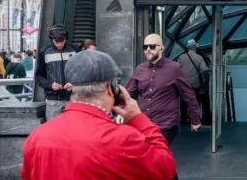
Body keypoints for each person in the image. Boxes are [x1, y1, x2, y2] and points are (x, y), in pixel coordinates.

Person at [21, 50, 177, 180]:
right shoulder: (122, 139)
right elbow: (165, 169)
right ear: (111, 88)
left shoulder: (37, 136)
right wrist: (138, 119)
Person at [127, 33, 201, 168]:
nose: (148, 50)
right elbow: (129, 94)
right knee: (154, 161)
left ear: (161, 48)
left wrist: (195, 118)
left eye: (152, 46)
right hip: (145, 124)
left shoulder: (174, 68)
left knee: (155, 159)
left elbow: (188, 95)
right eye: (145, 47)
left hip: (166, 124)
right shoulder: (140, 69)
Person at [35, 25, 77, 120]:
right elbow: (38, 76)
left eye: (62, 41)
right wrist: (50, 85)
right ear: (51, 39)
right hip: (53, 99)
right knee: (53, 130)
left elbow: (82, 71)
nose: (59, 44)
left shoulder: (74, 50)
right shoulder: (44, 52)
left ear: (66, 38)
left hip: (73, 97)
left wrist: (74, 84)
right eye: (56, 42)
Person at [179, 39, 211, 125]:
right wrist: (211, 69)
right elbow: (204, 69)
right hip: (195, 84)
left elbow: (177, 70)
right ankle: (195, 120)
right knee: (195, 102)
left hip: (184, 84)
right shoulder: (199, 57)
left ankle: (183, 120)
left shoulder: (181, 57)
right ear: (195, 47)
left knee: (184, 103)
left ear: (187, 47)